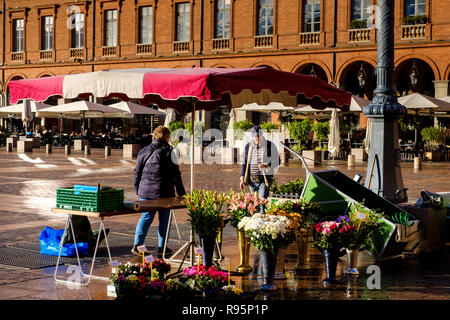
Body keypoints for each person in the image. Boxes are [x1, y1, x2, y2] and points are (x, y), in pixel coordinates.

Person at [132, 125, 186, 257]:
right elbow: (176, 175)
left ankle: (137, 245)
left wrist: (138, 189)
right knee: (164, 220)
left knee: (145, 217)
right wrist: (182, 194)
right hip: (164, 193)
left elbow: (137, 172)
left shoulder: (143, 151)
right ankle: (162, 247)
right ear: (167, 137)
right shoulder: (169, 151)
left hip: (145, 192)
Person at [240, 125, 280, 212]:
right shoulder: (248, 146)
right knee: (254, 205)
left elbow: (277, 161)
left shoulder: (269, 145)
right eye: (255, 136)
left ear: (262, 135)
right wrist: (242, 178)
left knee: (262, 204)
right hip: (251, 181)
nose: (257, 138)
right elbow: (244, 164)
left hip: (263, 180)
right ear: (252, 136)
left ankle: (262, 224)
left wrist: (266, 165)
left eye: (258, 136)